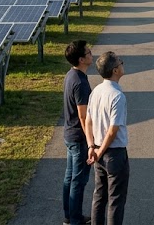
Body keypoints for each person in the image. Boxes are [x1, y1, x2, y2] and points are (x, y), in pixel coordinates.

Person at [85, 51, 129, 225]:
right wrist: (101, 151)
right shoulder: (117, 96)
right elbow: (112, 130)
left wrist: (92, 148)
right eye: (120, 62)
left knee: (99, 196)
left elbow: (88, 121)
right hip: (114, 153)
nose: (122, 64)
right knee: (116, 200)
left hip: (96, 150)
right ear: (115, 70)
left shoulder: (96, 91)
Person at [62, 40, 94, 225]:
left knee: (69, 177)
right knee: (78, 180)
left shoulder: (70, 75)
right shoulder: (80, 83)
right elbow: (83, 117)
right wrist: (91, 142)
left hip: (69, 134)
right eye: (88, 52)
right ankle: (75, 219)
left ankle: (69, 215)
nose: (91, 53)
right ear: (82, 59)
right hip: (78, 138)